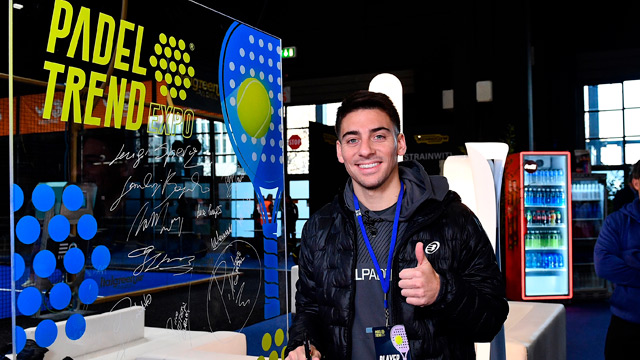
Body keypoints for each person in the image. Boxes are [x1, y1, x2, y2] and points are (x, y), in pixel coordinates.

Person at [285, 90, 508, 360]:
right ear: (340, 151)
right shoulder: (320, 228)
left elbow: (492, 319)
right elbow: (309, 310)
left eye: (379, 136)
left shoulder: (453, 220)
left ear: (400, 143)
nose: (365, 150)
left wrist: (442, 291)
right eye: (352, 139)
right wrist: (302, 344)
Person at [594, 159, 640, 360]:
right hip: (626, 321)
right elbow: (604, 266)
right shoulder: (617, 221)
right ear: (636, 183)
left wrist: (630, 257)